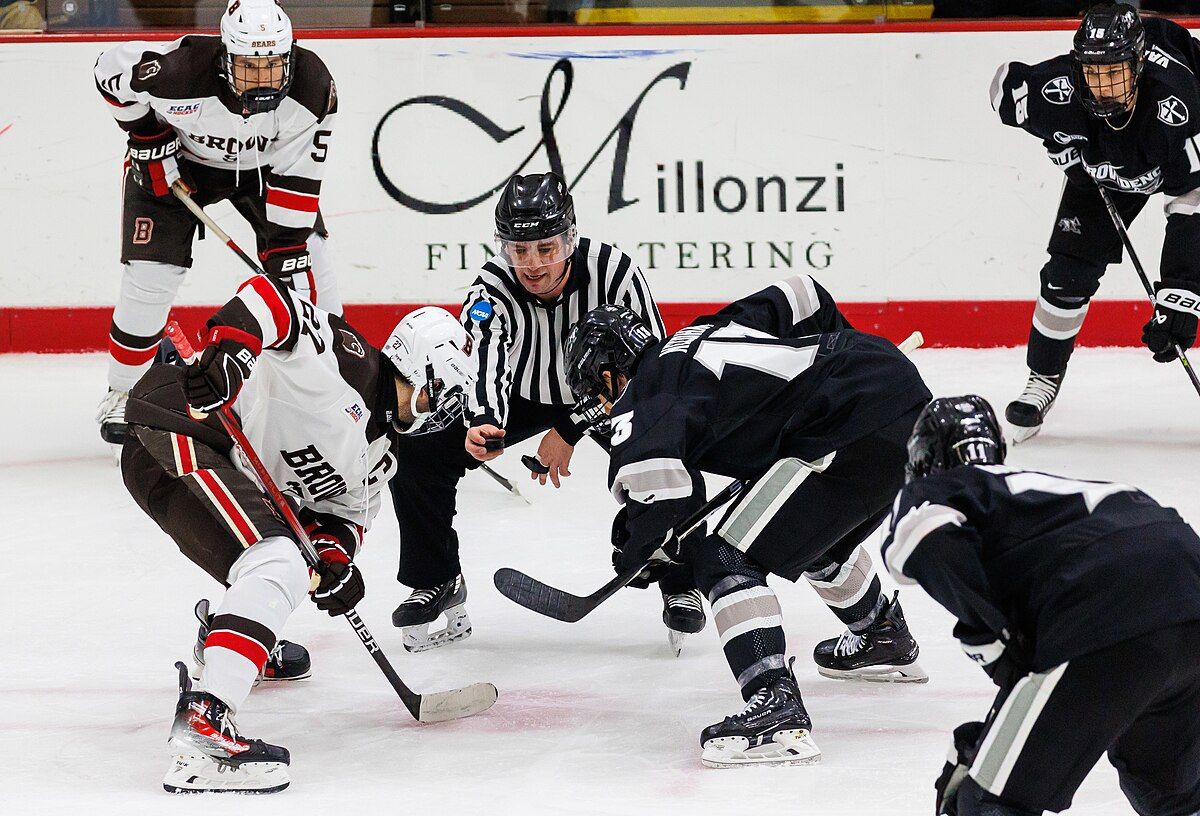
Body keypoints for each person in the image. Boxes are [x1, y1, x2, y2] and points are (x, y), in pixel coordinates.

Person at [121, 272, 473, 793]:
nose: (437, 416)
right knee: (277, 559)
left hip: (217, 461)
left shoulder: (378, 455)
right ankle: (205, 728)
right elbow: (268, 297)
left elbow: (343, 518)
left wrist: (334, 561)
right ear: (418, 371)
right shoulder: (343, 360)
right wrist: (230, 358)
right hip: (181, 425)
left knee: (289, 561)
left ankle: (229, 644)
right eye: (435, 398)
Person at [565, 274, 933, 767]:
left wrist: (639, 551)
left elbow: (662, 503)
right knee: (804, 533)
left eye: (599, 393)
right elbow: (804, 293)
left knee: (723, 553)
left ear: (611, 376)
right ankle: (880, 635)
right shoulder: (701, 333)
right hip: (895, 399)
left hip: (846, 426)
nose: (606, 409)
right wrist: (849, 352)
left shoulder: (646, 399)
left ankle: (774, 702)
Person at [389, 171, 705, 655]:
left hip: (607, 393)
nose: (532, 264)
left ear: (569, 238)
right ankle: (436, 578)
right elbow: (488, 355)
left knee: (667, 455)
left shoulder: (616, 273)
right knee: (420, 453)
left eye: (546, 248)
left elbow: (654, 379)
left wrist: (571, 427)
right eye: (518, 250)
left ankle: (679, 573)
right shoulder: (492, 285)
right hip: (523, 393)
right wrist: (482, 422)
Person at [882, 395, 1200, 816]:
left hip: (1102, 610)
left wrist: (994, 628)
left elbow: (926, 537)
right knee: (1173, 792)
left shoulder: (941, 490)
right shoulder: (1052, 495)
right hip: (1190, 595)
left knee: (990, 798)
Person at [94, 0, 340, 446]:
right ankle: (123, 391)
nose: (264, 78)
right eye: (250, 65)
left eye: (274, 65)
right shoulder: (179, 71)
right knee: (149, 279)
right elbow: (107, 72)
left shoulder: (312, 85)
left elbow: (300, 174)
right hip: (180, 167)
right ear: (225, 56)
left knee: (309, 269)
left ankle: (333, 381)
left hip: (268, 172)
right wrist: (149, 136)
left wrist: (286, 249)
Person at [993, 3, 1200, 441]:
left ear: (1139, 65)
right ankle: (1043, 379)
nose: (1103, 85)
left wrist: (1181, 294)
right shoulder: (1059, 89)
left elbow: (1192, 200)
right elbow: (1003, 86)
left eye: (1115, 72)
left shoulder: (1176, 107)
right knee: (1067, 273)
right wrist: (1059, 141)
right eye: (1093, 71)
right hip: (1103, 166)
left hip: (1180, 168)